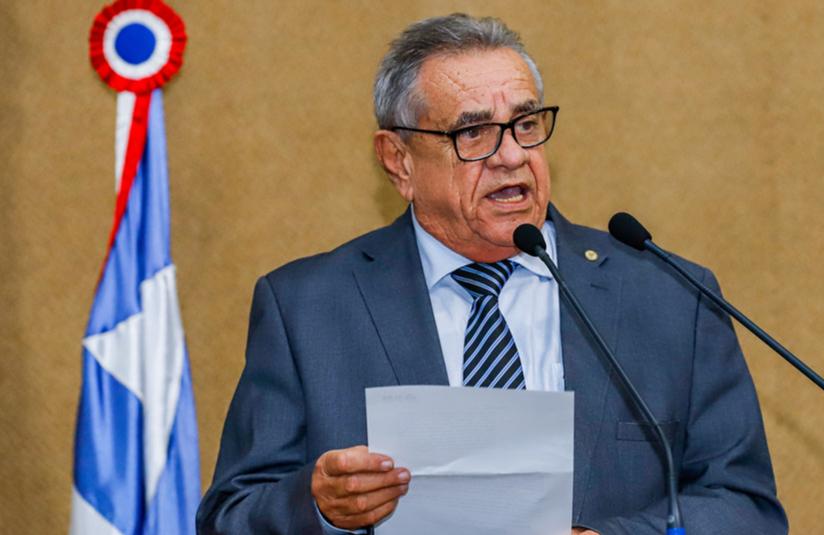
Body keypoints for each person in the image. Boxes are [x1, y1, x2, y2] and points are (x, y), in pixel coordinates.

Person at [197, 13, 787, 535]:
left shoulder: (668, 296)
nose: (512, 156)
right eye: (473, 133)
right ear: (398, 161)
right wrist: (320, 508)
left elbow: (746, 507)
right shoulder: (307, 308)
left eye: (526, 124)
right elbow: (229, 516)